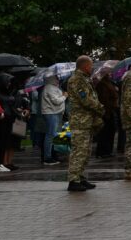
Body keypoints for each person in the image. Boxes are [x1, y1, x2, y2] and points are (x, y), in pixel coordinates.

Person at [66, 55, 104, 191]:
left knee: (86, 152)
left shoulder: (84, 79)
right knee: (79, 151)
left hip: (87, 121)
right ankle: (73, 180)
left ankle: (81, 177)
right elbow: (85, 99)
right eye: (91, 65)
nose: (92, 68)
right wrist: (100, 107)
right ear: (85, 66)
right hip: (80, 121)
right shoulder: (76, 80)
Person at [94, 66, 120, 158]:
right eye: (108, 73)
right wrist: (113, 100)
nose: (110, 74)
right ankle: (102, 151)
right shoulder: (101, 84)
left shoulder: (110, 83)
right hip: (106, 111)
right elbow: (103, 98)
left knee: (111, 131)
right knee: (104, 132)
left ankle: (108, 150)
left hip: (111, 110)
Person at [40, 74, 66, 166]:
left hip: (56, 113)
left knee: (54, 135)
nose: (58, 79)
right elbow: (56, 101)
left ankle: (53, 155)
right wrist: (64, 96)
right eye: (56, 77)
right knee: (50, 135)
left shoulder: (54, 87)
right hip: (51, 113)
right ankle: (47, 157)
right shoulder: (50, 87)